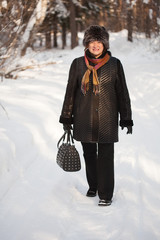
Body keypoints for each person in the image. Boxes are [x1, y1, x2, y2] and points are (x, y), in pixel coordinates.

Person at [59, 25, 133, 206]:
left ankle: (106, 194)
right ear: (87, 44)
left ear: (105, 44)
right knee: (89, 153)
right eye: (92, 42)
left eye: (99, 42)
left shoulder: (115, 64)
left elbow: (122, 92)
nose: (96, 45)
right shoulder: (78, 64)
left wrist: (126, 117)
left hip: (107, 118)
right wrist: (67, 117)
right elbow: (70, 92)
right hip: (84, 117)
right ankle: (93, 186)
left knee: (106, 156)